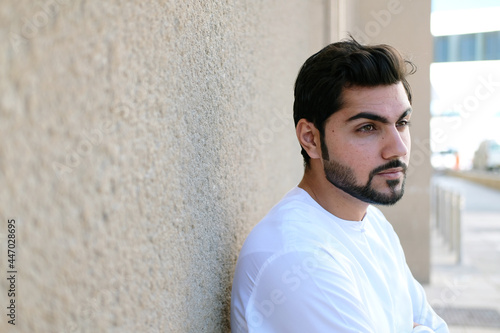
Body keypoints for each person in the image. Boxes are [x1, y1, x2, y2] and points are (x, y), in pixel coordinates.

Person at [230, 38, 449, 333]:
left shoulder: (373, 223)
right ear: (311, 138)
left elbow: (435, 324)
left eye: (401, 123)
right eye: (368, 127)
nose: (397, 148)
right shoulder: (298, 259)